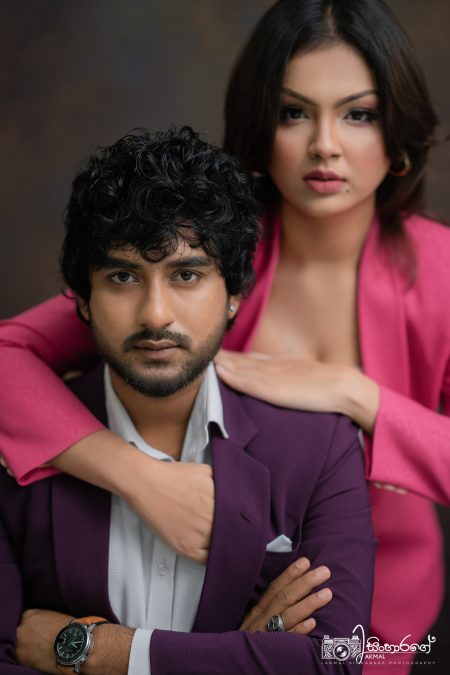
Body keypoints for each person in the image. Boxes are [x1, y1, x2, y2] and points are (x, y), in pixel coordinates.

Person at [0, 1, 447, 671]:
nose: (325, 145)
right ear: (260, 127)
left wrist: (358, 395)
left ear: (400, 136)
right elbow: (9, 353)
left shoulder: (441, 272)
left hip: (387, 619)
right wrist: (141, 478)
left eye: (358, 114)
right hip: (216, 603)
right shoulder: (198, 260)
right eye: (294, 112)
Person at [0, 127, 375, 675]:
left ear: (234, 295)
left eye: (186, 274)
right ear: (82, 299)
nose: (155, 314)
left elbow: (338, 660)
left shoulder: (320, 446)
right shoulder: (14, 453)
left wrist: (104, 652)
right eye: (123, 276)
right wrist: (244, 656)